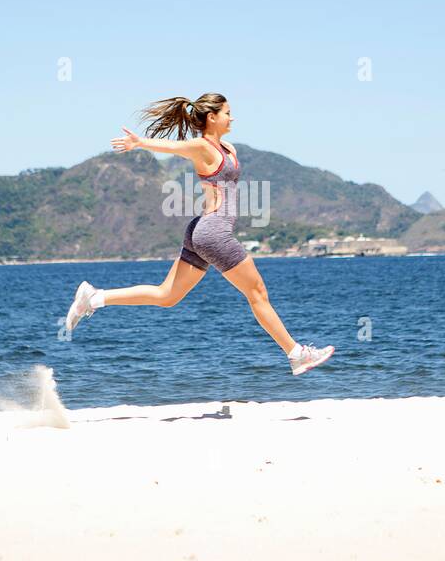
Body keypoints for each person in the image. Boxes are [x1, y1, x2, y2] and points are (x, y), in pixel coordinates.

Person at [63, 93, 334, 376]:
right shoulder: (201, 146)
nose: (233, 117)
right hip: (214, 232)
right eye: (228, 112)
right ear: (212, 117)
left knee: (166, 295)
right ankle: (296, 353)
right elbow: (175, 147)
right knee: (257, 293)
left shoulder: (228, 148)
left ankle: (94, 298)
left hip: (202, 229)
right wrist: (140, 143)